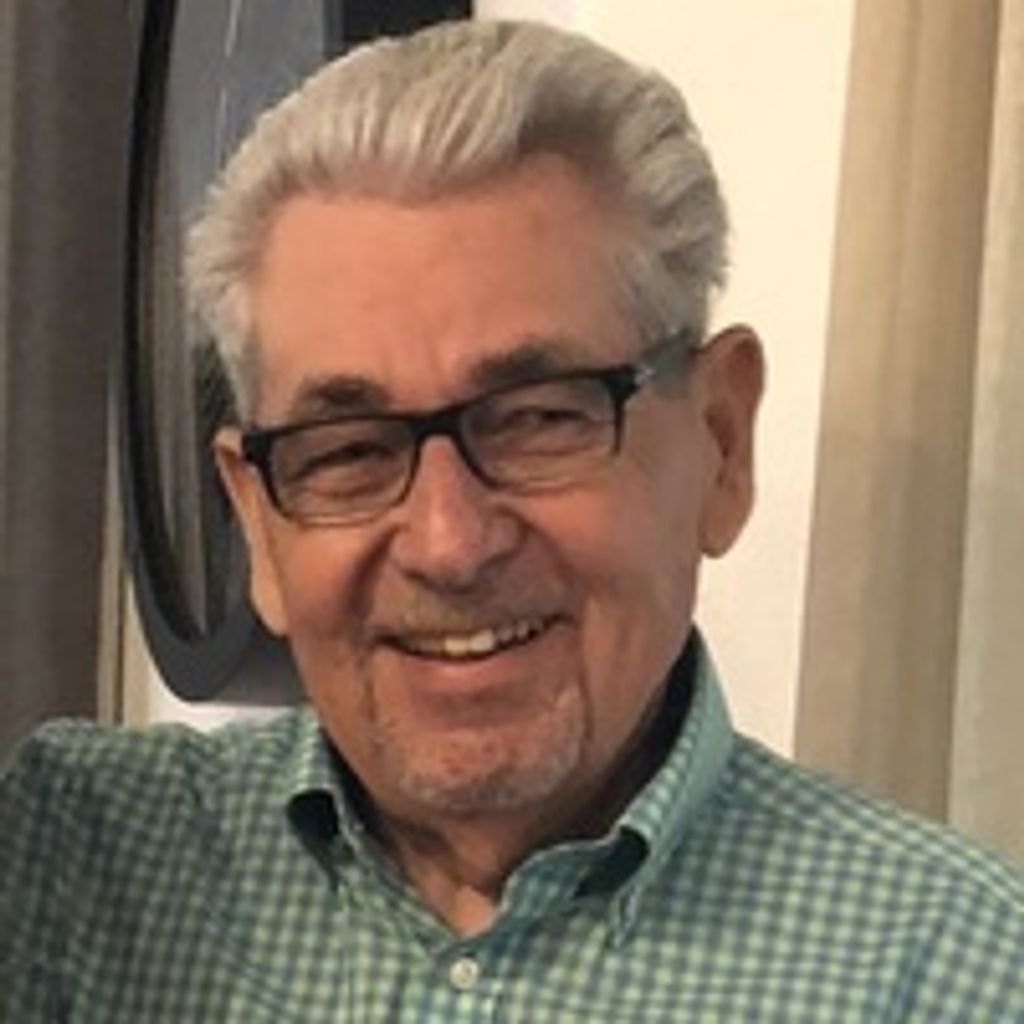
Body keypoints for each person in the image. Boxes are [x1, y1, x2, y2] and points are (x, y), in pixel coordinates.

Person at [2, 18, 1022, 1022]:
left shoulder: (962, 973)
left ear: (721, 441)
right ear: (257, 522)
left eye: (539, 419)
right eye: (348, 450)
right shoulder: (66, 865)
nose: (449, 542)